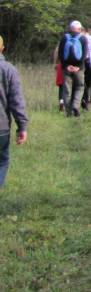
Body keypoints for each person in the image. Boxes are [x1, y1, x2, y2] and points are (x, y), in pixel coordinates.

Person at [0, 36, 28, 192]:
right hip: (1, 127)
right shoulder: (9, 69)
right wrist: (22, 126)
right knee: (2, 162)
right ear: (2, 49)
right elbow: (16, 101)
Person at [54, 20, 90, 117]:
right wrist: (78, 67)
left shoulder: (64, 38)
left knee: (67, 89)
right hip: (79, 68)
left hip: (66, 68)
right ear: (79, 29)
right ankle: (75, 105)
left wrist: (66, 65)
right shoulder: (83, 38)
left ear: (70, 28)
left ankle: (68, 112)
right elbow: (85, 54)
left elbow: (60, 54)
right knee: (80, 86)